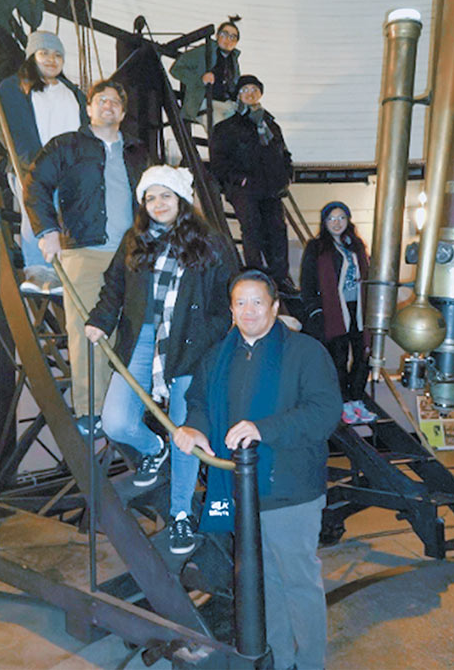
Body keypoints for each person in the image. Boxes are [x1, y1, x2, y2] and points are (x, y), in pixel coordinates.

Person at [175, 270, 341, 670]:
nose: (249, 311)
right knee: (266, 586)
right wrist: (194, 427)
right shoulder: (218, 355)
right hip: (241, 493)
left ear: (275, 306)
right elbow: (198, 399)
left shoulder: (305, 352)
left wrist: (262, 430)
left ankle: (311, 664)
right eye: (240, 303)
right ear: (231, 309)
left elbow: (324, 413)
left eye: (257, 302)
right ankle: (282, 661)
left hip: (290, 490)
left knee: (298, 582)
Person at [84, 165, 237, 553]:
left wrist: (210, 335)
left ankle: (181, 515)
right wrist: (101, 320)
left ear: (182, 199)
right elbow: (114, 286)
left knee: (184, 432)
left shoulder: (212, 243)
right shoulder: (134, 241)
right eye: (150, 198)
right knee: (116, 421)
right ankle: (154, 450)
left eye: (165, 195)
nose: (157, 204)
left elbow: (226, 298)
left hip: (191, 343)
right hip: (142, 337)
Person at [23, 80, 148, 436]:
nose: (108, 106)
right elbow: (36, 184)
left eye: (115, 102)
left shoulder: (138, 152)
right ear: (89, 108)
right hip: (85, 252)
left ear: (122, 113)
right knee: (87, 332)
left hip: (133, 256)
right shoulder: (67, 146)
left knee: (134, 333)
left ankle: (124, 410)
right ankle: (92, 410)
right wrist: (46, 231)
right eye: (101, 100)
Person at [0, 31, 88, 295]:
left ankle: (63, 274)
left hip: (70, 170)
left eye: (58, 55)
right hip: (32, 167)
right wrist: (37, 165)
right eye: (44, 53)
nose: (51, 59)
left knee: (67, 221)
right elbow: (13, 132)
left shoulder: (75, 94)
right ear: (31, 56)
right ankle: (37, 272)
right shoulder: (13, 87)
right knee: (35, 214)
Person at [209, 75, 298, 295]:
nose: (250, 93)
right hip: (245, 189)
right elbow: (219, 161)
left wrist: (287, 175)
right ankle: (255, 276)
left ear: (260, 94)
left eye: (254, 90)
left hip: (271, 188)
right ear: (238, 96)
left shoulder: (271, 125)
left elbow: (283, 153)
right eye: (245, 90)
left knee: (278, 231)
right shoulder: (226, 127)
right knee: (252, 229)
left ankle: (280, 279)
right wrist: (239, 180)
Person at [300, 201, 375, 424]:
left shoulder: (357, 245)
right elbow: (307, 281)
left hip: (359, 310)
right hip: (334, 311)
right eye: (332, 218)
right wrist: (315, 310)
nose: (337, 222)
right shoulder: (316, 247)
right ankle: (343, 403)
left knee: (364, 355)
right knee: (338, 358)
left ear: (348, 220)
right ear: (324, 222)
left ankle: (356, 399)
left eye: (341, 217)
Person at [170, 20, 241, 126]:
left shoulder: (233, 61)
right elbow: (176, 69)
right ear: (217, 36)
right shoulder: (205, 51)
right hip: (203, 102)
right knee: (221, 130)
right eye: (224, 34)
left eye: (233, 37)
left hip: (226, 104)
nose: (228, 39)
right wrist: (200, 79)